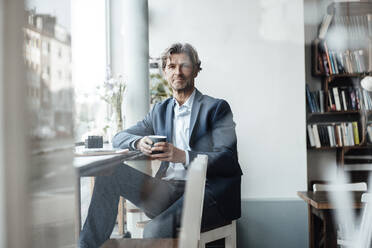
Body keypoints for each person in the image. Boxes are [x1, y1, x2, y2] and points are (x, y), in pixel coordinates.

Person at [79, 43, 242, 248]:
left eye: (184, 65)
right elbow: (119, 137)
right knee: (109, 174)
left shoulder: (217, 108)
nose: (178, 72)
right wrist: (138, 142)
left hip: (206, 194)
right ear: (165, 71)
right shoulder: (160, 110)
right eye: (171, 66)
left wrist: (183, 156)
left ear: (196, 70)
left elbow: (228, 159)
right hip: (167, 192)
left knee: (154, 230)